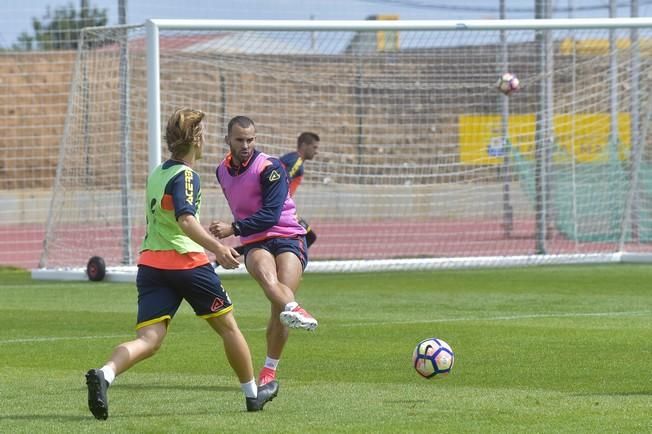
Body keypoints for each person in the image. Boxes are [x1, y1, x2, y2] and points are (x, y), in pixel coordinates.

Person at [84, 108, 277, 420]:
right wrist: (219, 248)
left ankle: (105, 374)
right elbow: (186, 220)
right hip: (187, 265)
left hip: (150, 266)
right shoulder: (187, 175)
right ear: (197, 140)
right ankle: (253, 395)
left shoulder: (158, 172)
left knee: (149, 340)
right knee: (229, 328)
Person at [209, 115, 318, 389]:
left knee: (278, 307)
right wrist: (238, 236)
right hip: (256, 241)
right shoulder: (220, 171)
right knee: (274, 288)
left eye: (250, 140)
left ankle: (269, 371)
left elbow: (270, 215)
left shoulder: (271, 168)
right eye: (240, 140)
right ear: (228, 140)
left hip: (289, 237)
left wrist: (233, 229)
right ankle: (295, 308)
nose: (246, 145)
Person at [279, 131, 320, 248]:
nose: (316, 152)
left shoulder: (291, 158)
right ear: (304, 145)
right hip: (279, 209)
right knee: (309, 237)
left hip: (279, 208)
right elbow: (281, 183)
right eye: (314, 147)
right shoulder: (296, 161)